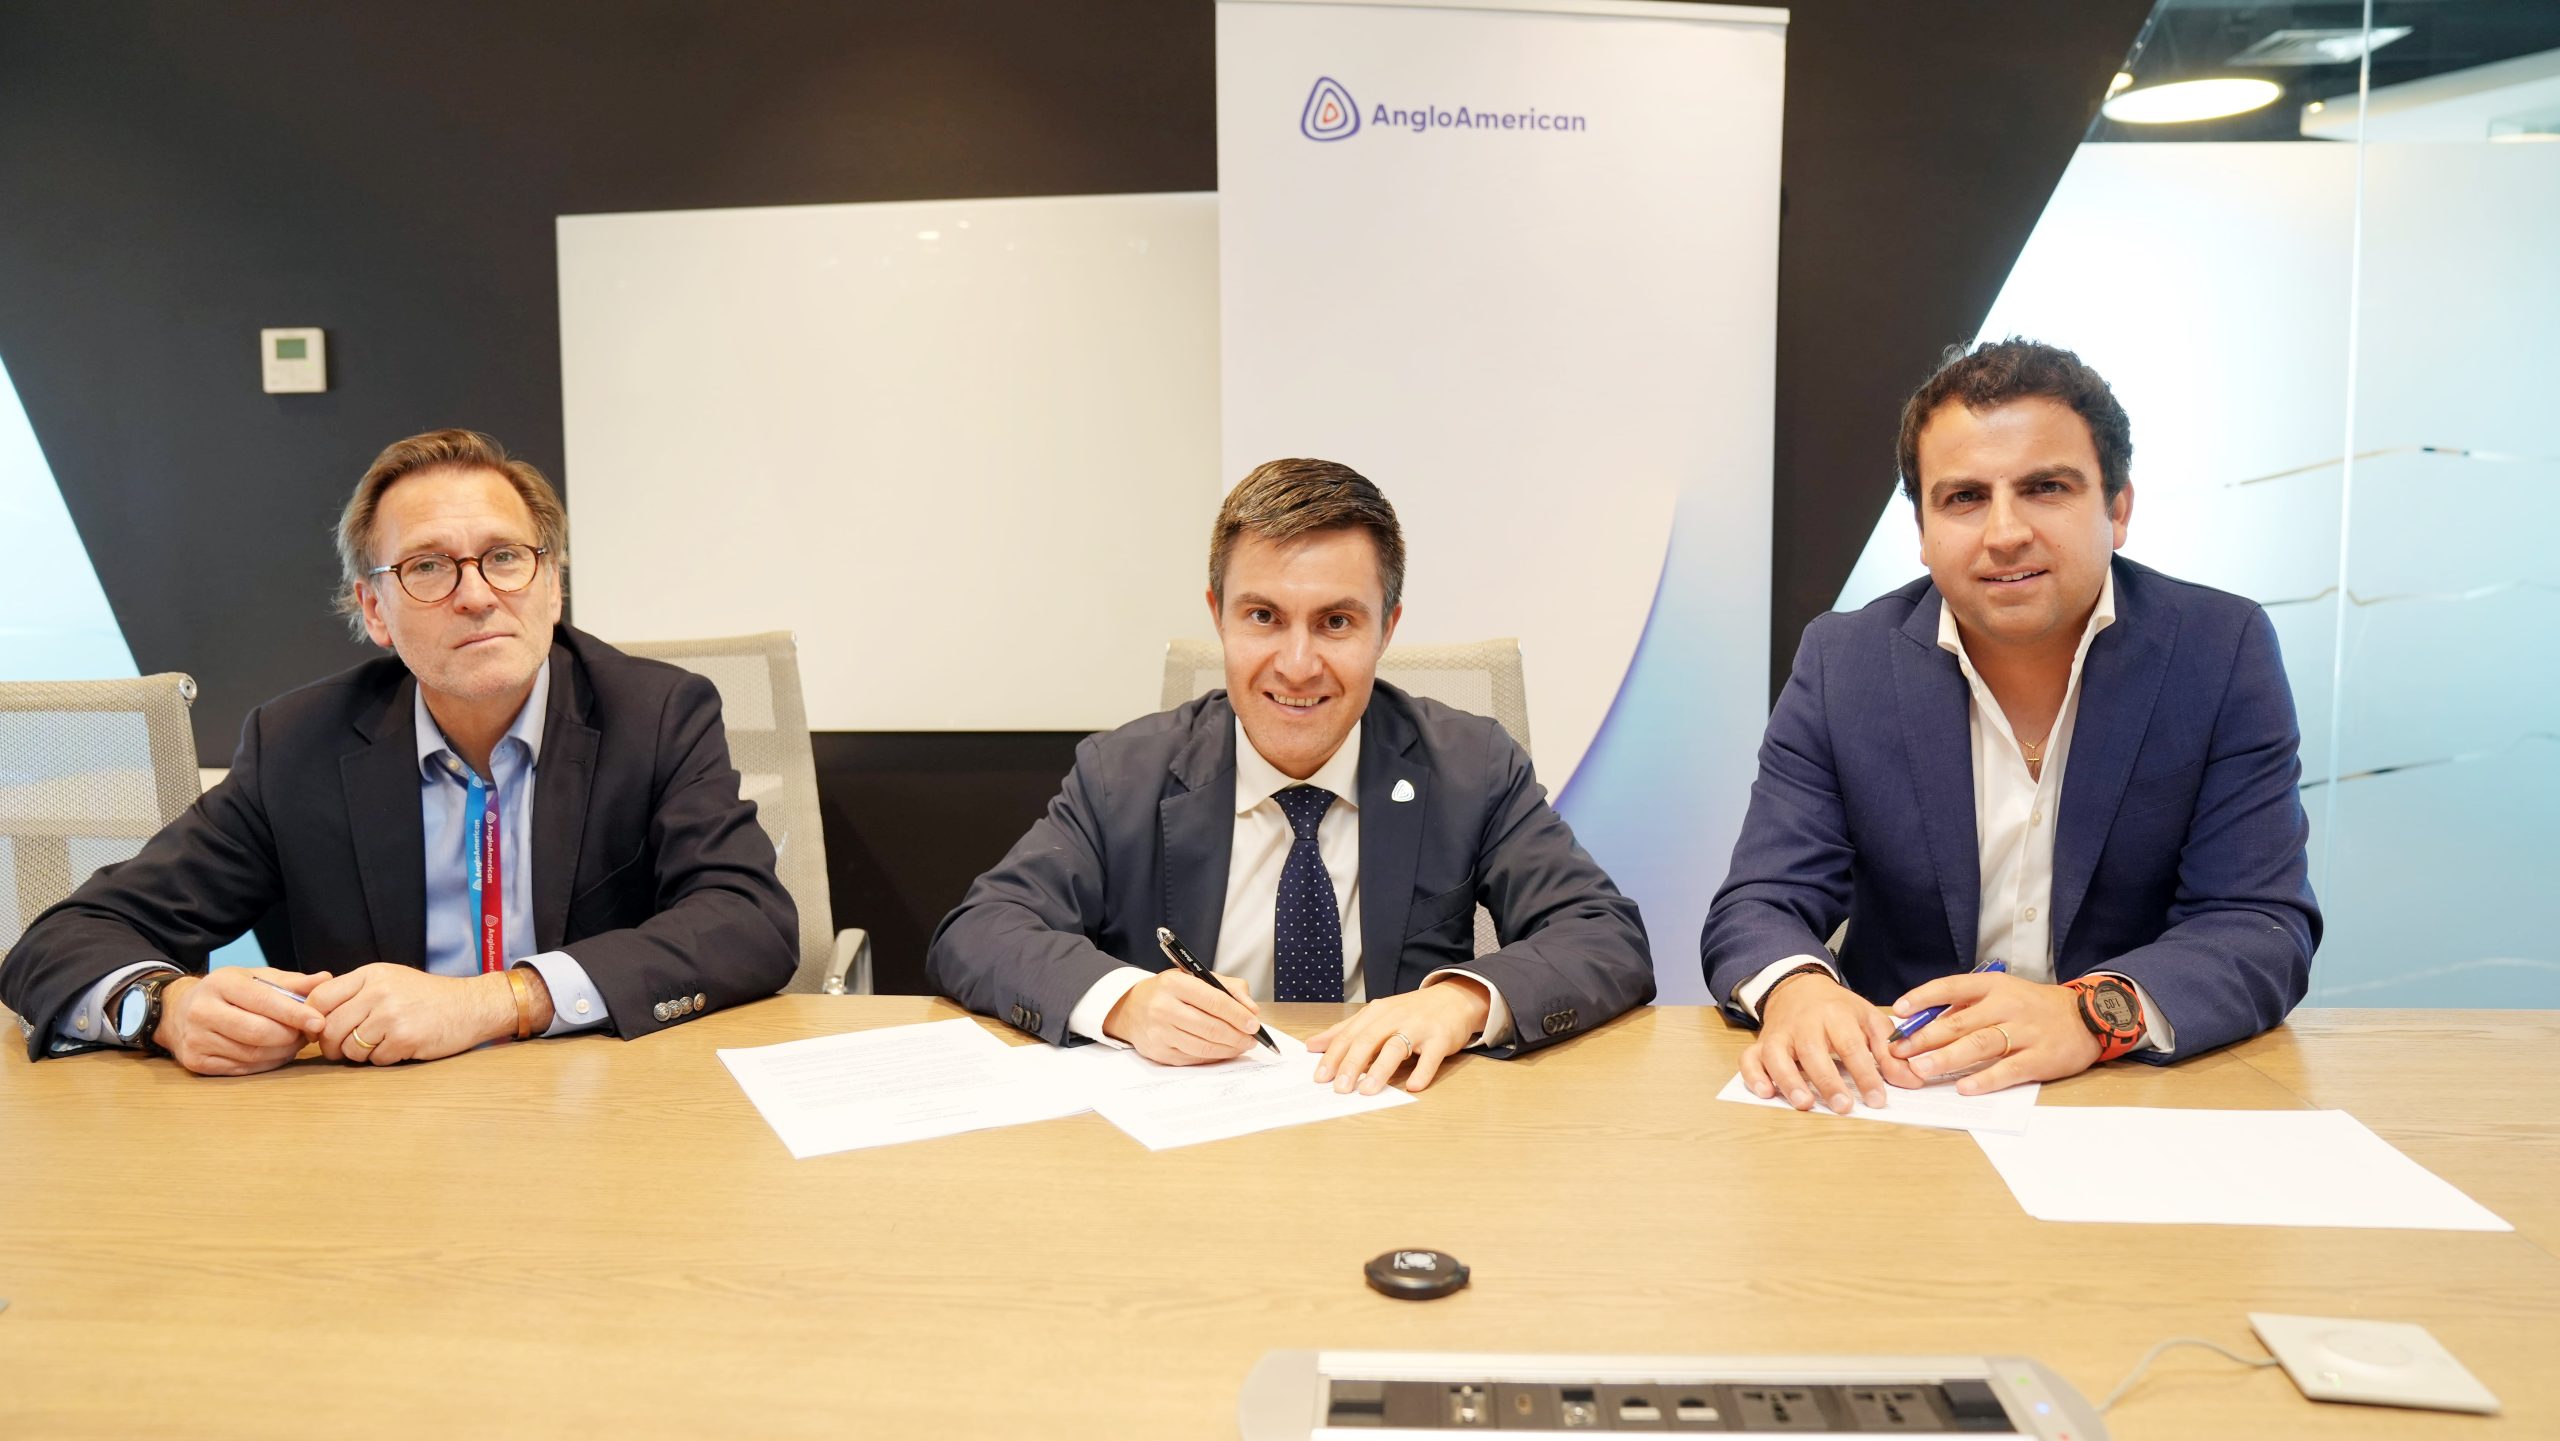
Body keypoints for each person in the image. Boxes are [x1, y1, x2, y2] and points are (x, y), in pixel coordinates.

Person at [4, 429, 796, 1073]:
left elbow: (747, 920)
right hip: (383, 1130)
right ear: (375, 608)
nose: (477, 594)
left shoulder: (655, 714)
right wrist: (163, 1008)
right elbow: (63, 938)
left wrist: (497, 1000)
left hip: (610, 1104)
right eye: (427, 567)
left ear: (552, 585)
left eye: (505, 556)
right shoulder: (299, 746)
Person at [1703, 340, 2319, 1111]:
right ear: (1922, 529)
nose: (2004, 533)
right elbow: (1759, 903)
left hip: (2128, 1094)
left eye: (2045, 487)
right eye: (1964, 497)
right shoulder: (1844, 662)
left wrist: (2089, 1013)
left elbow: (2258, 924)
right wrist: (1798, 990)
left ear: (2118, 508)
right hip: (1901, 1095)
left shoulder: (2220, 650)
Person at [929, 458, 1653, 1093]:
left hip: (1393, 1123)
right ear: (1219, 617)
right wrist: (1125, 1002)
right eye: (1263, 616)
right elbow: (981, 930)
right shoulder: (1124, 772)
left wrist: (1460, 999)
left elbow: (1604, 935)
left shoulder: (1470, 766)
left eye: (1336, 622)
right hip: (1185, 1136)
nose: (1298, 665)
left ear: (1387, 628)